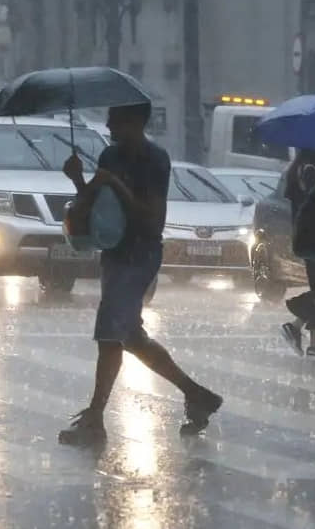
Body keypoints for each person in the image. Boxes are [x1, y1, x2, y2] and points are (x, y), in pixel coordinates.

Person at [58, 103, 224, 445]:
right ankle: (197, 394)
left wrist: (115, 184)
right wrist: (79, 180)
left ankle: (95, 417)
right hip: (115, 252)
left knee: (109, 334)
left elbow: (151, 217)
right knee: (129, 336)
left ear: (135, 122)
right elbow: (96, 206)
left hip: (140, 254)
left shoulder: (154, 159)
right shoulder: (109, 156)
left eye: (115, 121)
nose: (109, 126)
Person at [279, 148, 315, 358]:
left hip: (308, 240)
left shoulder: (298, 170)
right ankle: (297, 329)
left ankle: (311, 341)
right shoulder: (311, 172)